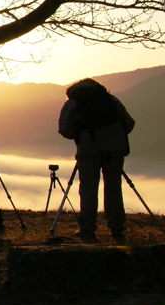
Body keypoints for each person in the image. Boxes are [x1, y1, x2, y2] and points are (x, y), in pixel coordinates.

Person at [58, 78, 135, 242]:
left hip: (89, 150)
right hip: (115, 149)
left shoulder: (73, 103)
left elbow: (65, 130)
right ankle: (116, 228)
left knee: (88, 189)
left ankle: (87, 229)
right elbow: (129, 124)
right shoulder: (111, 100)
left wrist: (83, 133)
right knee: (114, 188)